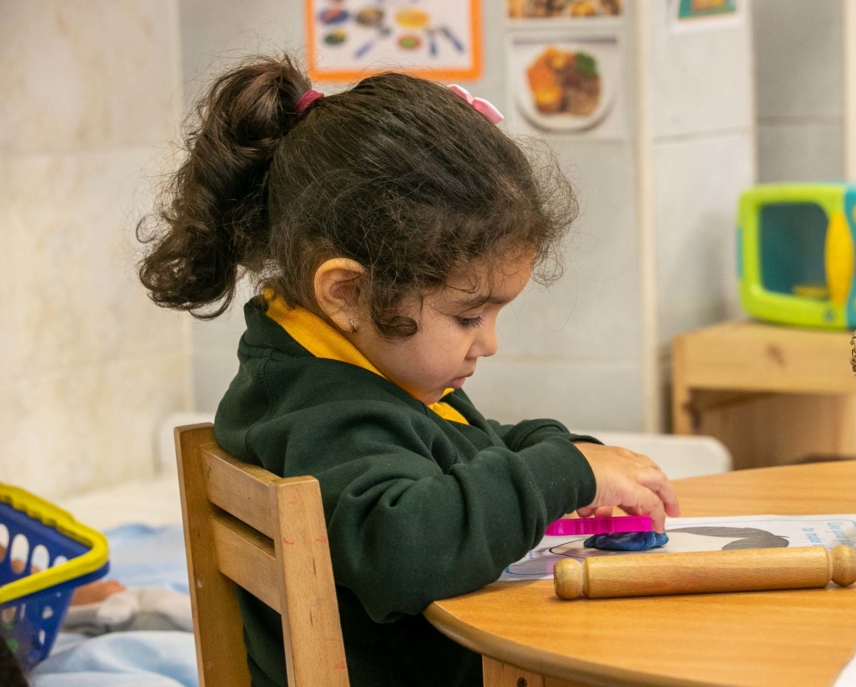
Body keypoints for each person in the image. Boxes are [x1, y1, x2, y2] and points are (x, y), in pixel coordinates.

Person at [138, 54, 680, 687]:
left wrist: (564, 457)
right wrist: (562, 473)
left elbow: (452, 448)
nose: (490, 344)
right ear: (346, 293)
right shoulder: (325, 415)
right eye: (469, 317)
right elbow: (407, 547)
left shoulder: (310, 369)